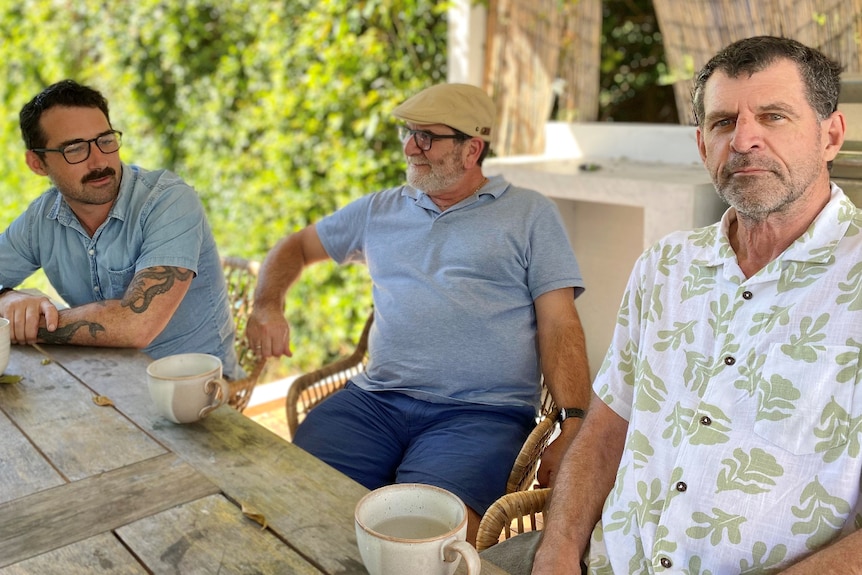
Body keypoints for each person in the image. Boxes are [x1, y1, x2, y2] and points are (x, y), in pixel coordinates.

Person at [525, 35, 862, 574]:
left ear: (830, 136)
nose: (744, 139)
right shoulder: (664, 267)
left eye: (773, 117)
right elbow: (607, 430)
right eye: (724, 122)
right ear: (703, 146)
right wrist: (558, 550)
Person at [246, 82, 590, 543]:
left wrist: (574, 425)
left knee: (427, 544)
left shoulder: (530, 215)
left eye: (427, 137)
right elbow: (297, 246)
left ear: (472, 149)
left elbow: (560, 322)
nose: (411, 147)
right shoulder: (379, 209)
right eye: (409, 133)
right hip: (373, 402)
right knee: (294, 504)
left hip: (480, 415)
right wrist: (267, 304)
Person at [0, 80, 241, 379]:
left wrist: (27, 323)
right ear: (37, 163)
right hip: (108, 377)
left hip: (200, 386)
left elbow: (136, 325)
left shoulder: (169, 201)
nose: (100, 160)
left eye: (105, 140)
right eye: (75, 149)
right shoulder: (42, 219)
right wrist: (7, 300)